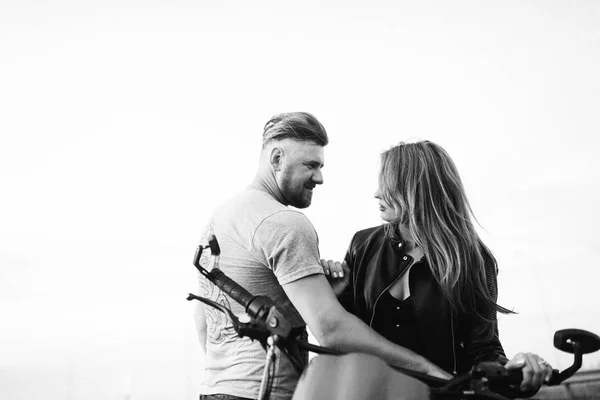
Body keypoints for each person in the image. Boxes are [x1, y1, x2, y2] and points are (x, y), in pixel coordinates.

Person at [194, 114, 451, 400]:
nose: (319, 177)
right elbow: (331, 330)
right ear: (277, 158)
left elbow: (204, 321)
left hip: (215, 389)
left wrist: (332, 297)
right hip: (264, 392)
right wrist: (425, 369)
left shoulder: (220, 219)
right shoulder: (284, 223)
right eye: (311, 165)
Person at [321, 140, 553, 398]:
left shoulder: (474, 260)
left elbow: (483, 349)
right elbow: (345, 334)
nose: (376, 193)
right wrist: (337, 296)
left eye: (385, 185)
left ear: (414, 189)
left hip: (441, 395)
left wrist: (516, 370)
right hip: (368, 392)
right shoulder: (362, 244)